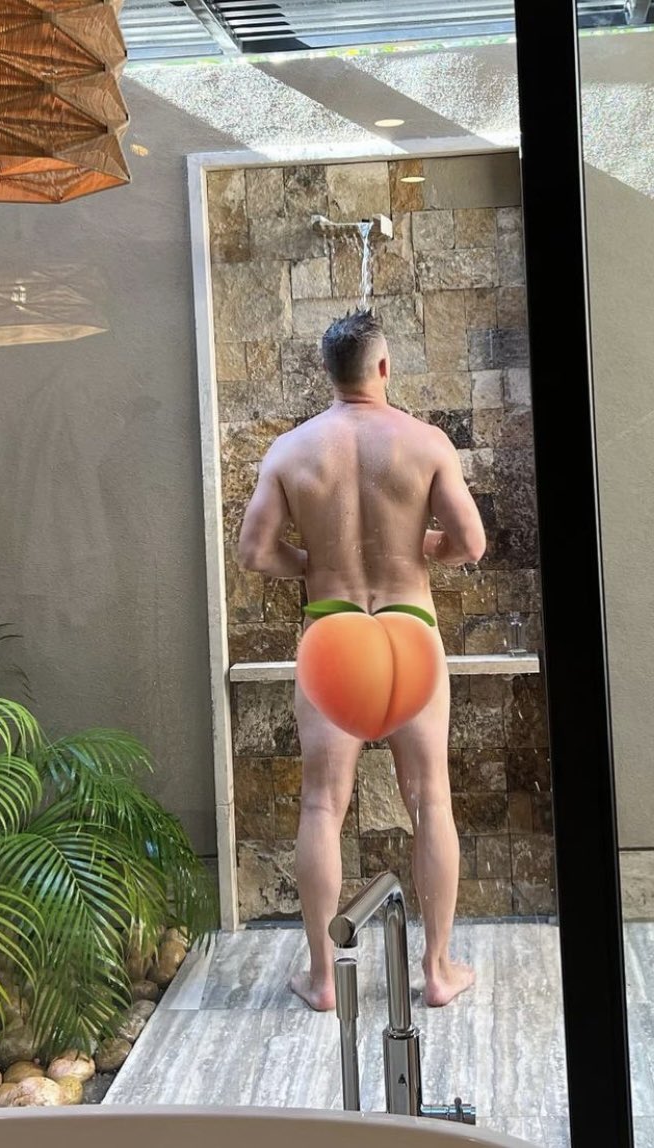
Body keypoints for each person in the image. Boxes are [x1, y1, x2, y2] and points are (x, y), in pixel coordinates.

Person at [237, 308, 487, 1010]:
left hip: (334, 632)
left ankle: (323, 978)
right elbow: (470, 543)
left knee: (322, 804)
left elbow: (254, 552)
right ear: (383, 367)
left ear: (329, 371)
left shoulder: (291, 451)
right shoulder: (426, 442)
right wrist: (419, 548)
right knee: (430, 798)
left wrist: (314, 561)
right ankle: (437, 971)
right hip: (410, 628)